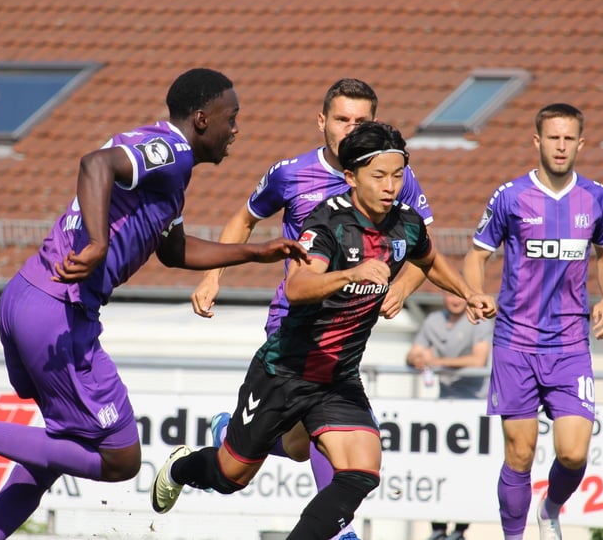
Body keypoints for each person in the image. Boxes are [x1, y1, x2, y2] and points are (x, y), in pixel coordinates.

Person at [0, 68, 307, 540]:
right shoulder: (173, 150)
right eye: (232, 118)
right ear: (202, 119)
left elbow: (174, 250)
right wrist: (98, 242)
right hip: (61, 310)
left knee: (60, 448)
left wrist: (256, 252)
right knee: (121, 458)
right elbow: (95, 163)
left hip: (29, 298)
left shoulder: (171, 177)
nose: (237, 130)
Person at [152, 121, 496, 540]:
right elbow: (297, 287)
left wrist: (468, 291)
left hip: (338, 377)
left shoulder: (405, 222)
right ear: (351, 178)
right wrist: (348, 274)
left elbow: (428, 258)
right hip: (287, 371)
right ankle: (181, 466)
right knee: (231, 475)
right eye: (378, 176)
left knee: (363, 468)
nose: (390, 186)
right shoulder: (329, 223)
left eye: (397, 175)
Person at [191, 78, 432, 540]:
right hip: (293, 321)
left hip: (348, 323)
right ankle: (337, 532)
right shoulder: (290, 173)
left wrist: (404, 285)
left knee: (301, 446)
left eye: (361, 121)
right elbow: (243, 219)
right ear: (322, 121)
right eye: (342, 119)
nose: (349, 129)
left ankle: (234, 432)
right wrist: (212, 275)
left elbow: (423, 249)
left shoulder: (392, 175)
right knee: (335, 435)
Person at [462, 103, 603, 540]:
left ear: (581, 144)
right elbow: (476, 255)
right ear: (537, 141)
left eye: (569, 138)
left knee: (572, 453)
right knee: (520, 452)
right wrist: (476, 294)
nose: (561, 146)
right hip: (516, 342)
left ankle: (550, 509)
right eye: (553, 137)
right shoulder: (511, 196)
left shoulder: (596, 198)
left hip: (570, 345)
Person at [406, 291, 492, 540]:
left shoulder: (480, 320)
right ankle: (438, 528)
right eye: (449, 293)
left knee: (470, 470)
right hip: (445, 405)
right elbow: (412, 355)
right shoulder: (433, 321)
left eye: (459, 294)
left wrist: (435, 360)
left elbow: (478, 360)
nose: (455, 299)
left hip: (476, 407)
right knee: (437, 464)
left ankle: (462, 529)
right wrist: (418, 359)